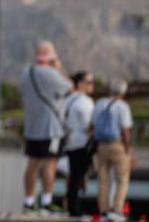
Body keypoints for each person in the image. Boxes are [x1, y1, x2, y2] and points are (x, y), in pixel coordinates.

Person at [18, 40, 72, 213]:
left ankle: (28, 201)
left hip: (31, 127)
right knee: (50, 163)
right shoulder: (49, 73)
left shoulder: (25, 74)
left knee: (32, 164)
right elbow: (69, 87)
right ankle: (46, 201)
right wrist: (57, 68)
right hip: (50, 128)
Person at [93, 79, 134, 222]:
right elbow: (125, 130)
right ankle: (116, 210)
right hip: (117, 145)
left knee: (103, 179)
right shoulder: (122, 106)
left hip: (101, 145)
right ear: (123, 91)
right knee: (122, 179)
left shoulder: (99, 103)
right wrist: (128, 149)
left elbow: (93, 124)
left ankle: (103, 211)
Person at [63, 71, 96, 217]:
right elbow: (89, 125)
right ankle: (74, 210)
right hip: (82, 143)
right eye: (89, 82)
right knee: (77, 177)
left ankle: (72, 208)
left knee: (74, 177)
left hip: (69, 142)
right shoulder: (85, 101)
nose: (92, 86)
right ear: (80, 84)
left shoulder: (68, 99)